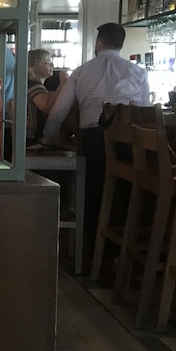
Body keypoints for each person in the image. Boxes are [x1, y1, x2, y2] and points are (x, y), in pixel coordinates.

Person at [39, 22, 150, 260]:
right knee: (126, 196)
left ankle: (92, 254)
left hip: (94, 139)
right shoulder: (138, 72)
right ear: (121, 44)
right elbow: (144, 114)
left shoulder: (82, 71)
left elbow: (59, 110)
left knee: (93, 194)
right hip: (129, 142)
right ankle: (121, 255)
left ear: (98, 43)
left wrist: (47, 138)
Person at [20, 48, 69, 147]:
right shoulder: (33, 85)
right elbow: (47, 107)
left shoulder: (35, 85)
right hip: (33, 139)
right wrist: (63, 84)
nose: (52, 65)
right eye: (46, 63)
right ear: (33, 67)